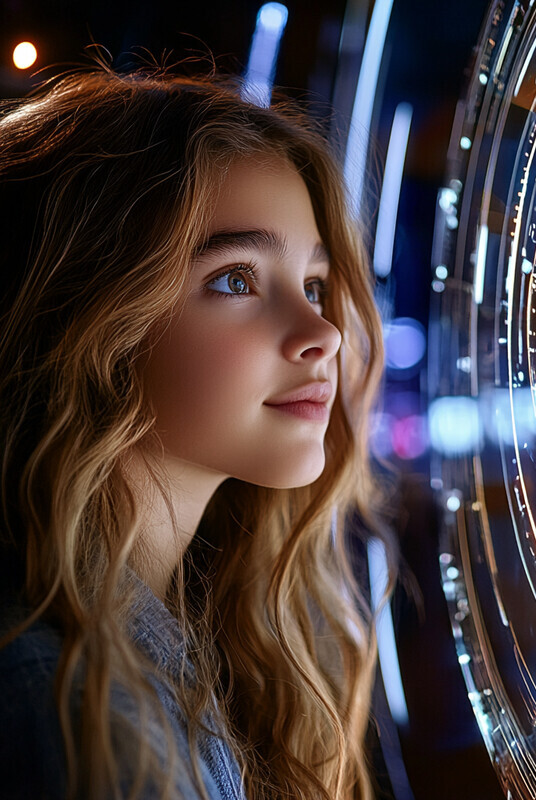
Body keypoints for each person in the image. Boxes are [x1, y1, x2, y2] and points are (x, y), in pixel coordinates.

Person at [0, 68, 391, 800]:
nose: (322, 334)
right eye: (237, 279)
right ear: (92, 318)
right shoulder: (62, 702)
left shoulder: (174, 646)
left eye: (312, 285)